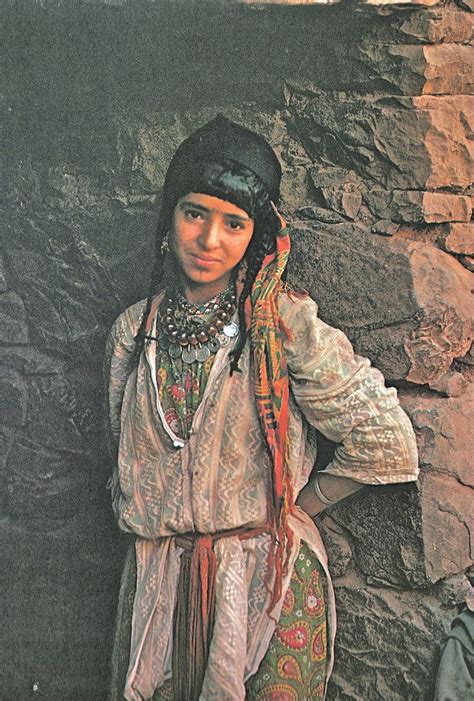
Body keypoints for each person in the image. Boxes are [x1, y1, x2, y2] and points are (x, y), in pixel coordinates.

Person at [105, 115, 419, 701]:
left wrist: (294, 509)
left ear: (257, 235)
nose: (209, 240)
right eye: (194, 213)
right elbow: (127, 459)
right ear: (169, 218)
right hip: (159, 587)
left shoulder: (281, 325)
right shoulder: (133, 332)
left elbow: (384, 439)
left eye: (234, 223)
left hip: (265, 586)